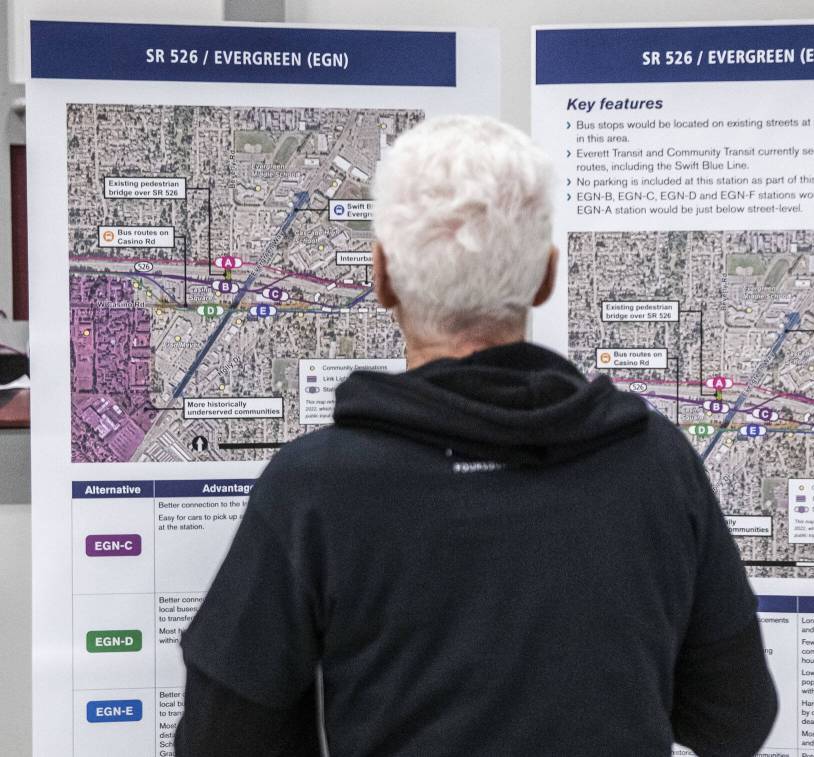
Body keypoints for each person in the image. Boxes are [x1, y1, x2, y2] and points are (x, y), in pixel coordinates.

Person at [175, 115, 777, 756]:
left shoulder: (315, 489)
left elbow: (222, 739)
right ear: (546, 277)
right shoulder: (657, 461)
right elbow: (735, 716)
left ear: (380, 276)